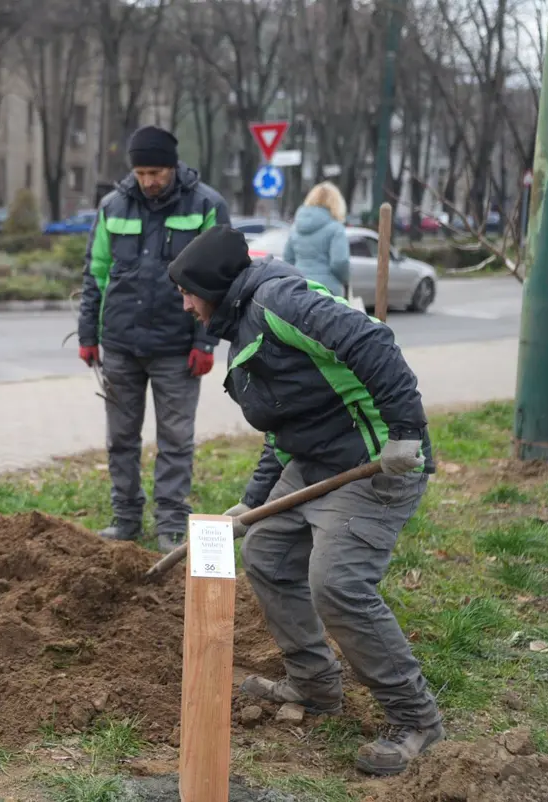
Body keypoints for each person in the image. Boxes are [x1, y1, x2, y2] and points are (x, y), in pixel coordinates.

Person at [168, 225, 443, 777]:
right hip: (315, 461)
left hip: (373, 461)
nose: (184, 303)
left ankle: (417, 721)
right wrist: (249, 505)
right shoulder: (241, 324)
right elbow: (283, 426)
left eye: (188, 291)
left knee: (337, 583)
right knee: (267, 554)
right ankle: (316, 686)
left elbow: (373, 341)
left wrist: (405, 431)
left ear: (214, 287)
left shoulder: (279, 302)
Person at [77, 126, 231, 550]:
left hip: (177, 350)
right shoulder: (112, 206)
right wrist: (89, 333)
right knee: (120, 439)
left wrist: (205, 342)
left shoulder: (207, 206)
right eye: (141, 172)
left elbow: (220, 281)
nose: (149, 181)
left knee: (175, 440)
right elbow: (95, 274)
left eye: (156, 172)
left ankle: (171, 526)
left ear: (173, 166)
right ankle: (125, 519)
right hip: (121, 345)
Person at [283, 181, 350, 297]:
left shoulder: (296, 227)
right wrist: (346, 279)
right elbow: (340, 262)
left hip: (299, 288)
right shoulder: (336, 228)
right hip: (328, 291)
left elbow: (288, 258)